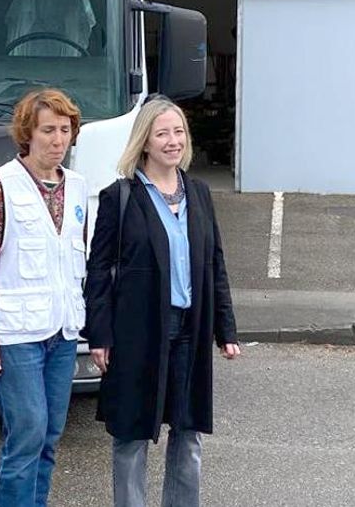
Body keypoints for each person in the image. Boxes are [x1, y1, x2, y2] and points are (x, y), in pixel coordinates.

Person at [84, 96, 241, 507]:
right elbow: (98, 272)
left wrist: (226, 330)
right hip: (137, 332)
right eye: (163, 133)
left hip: (190, 329)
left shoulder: (200, 194)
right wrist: (99, 335)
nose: (173, 141)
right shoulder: (120, 198)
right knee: (132, 435)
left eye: (179, 132)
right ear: (145, 142)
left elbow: (215, 264)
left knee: (187, 435)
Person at [0, 88, 89, 507]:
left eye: (65, 130)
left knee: (50, 436)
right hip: (16, 335)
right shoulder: (0, 185)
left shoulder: (79, 188)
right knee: (28, 433)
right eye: (48, 130)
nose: (57, 139)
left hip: (62, 330)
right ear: (27, 135)